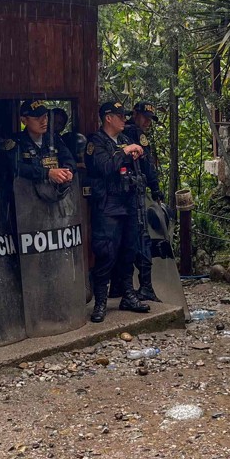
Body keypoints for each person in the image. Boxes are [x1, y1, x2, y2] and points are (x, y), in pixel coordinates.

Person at [85, 100, 150, 321]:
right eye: (119, 116)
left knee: (129, 250)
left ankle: (127, 294)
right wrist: (125, 153)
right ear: (108, 118)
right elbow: (104, 166)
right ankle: (101, 302)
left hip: (128, 202)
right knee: (106, 252)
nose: (124, 119)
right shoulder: (96, 142)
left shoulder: (123, 139)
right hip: (107, 205)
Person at [124, 101, 164, 303]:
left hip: (129, 193)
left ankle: (134, 286)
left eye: (150, 119)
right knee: (141, 239)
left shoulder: (125, 133)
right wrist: (156, 188)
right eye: (145, 117)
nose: (147, 122)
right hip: (133, 194)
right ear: (135, 114)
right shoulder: (133, 134)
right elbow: (147, 165)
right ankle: (144, 286)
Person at [7, 99, 76, 186]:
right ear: (24, 120)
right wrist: (47, 173)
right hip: (27, 194)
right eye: (37, 118)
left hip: (54, 193)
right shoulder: (17, 141)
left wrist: (68, 170)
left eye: (45, 116)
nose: (43, 121)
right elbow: (17, 167)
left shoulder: (54, 139)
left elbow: (68, 158)